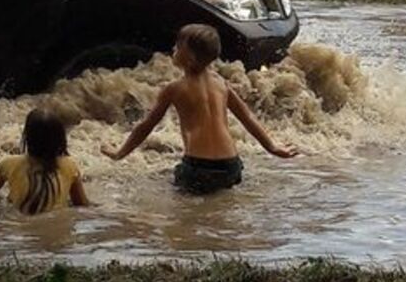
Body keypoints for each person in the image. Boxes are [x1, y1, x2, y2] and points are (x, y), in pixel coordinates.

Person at [101, 23, 298, 194]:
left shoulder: (175, 88)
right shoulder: (221, 83)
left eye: (178, 47)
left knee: (177, 201)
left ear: (190, 59)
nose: (173, 49)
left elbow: (146, 126)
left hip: (198, 167)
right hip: (231, 165)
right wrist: (272, 147)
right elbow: (247, 117)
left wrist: (120, 153)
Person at [0, 108, 91, 214]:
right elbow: (81, 204)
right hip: (53, 225)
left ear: (27, 137)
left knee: (4, 200)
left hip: (19, 224)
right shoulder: (70, 166)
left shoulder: (8, 164)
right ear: (60, 139)